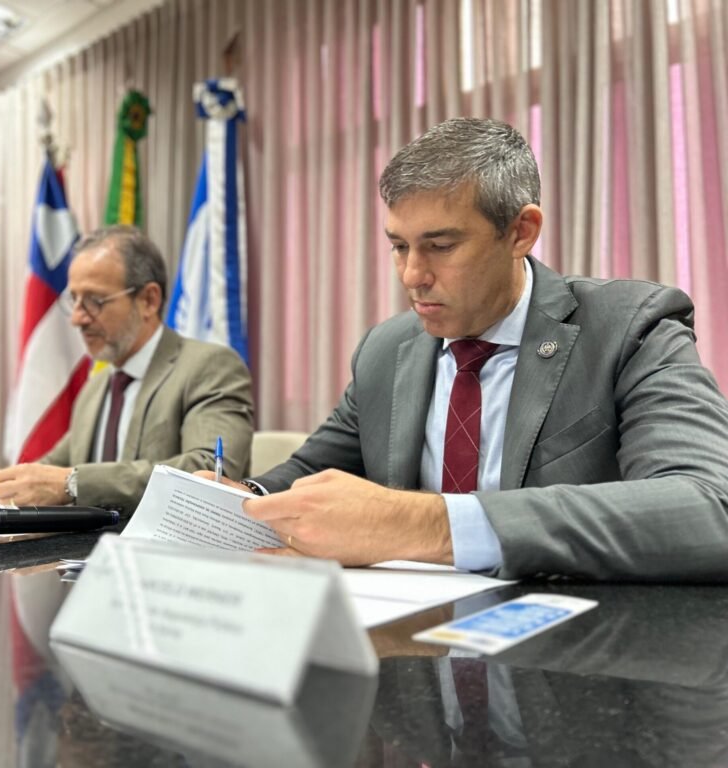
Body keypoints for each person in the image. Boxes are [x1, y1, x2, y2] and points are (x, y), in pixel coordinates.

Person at [216, 117, 728, 580]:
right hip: (409, 632)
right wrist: (243, 497)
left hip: (578, 637)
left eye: (440, 246)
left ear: (521, 232)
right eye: (399, 247)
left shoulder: (628, 327)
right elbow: (309, 473)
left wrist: (423, 525)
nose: (412, 275)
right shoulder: (385, 349)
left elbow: (708, 507)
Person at [0, 225, 253, 513]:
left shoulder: (210, 367)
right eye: (74, 300)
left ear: (149, 300)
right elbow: (48, 473)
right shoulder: (95, 388)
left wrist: (75, 483)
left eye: (94, 301)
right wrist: (2, 487)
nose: (77, 319)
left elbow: (210, 472)